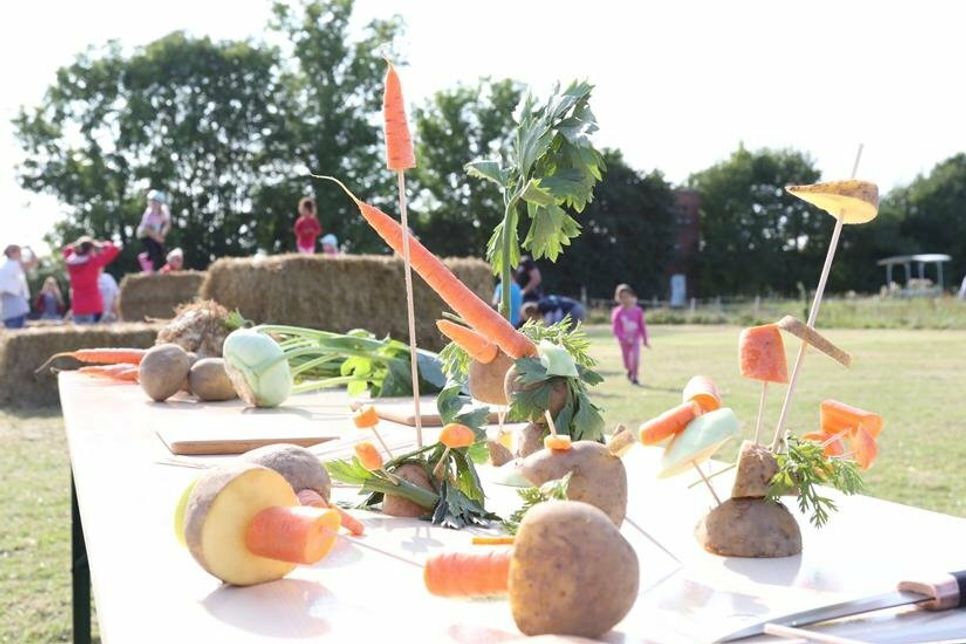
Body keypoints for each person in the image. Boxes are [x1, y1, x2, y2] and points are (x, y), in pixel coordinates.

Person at [64, 236, 120, 324]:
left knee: (79, 336)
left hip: (77, 307)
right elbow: (114, 249)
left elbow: (67, 249)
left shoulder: (70, 263)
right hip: (94, 306)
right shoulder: (93, 262)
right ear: (91, 249)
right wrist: (100, 245)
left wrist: (78, 244)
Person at [611, 284, 649, 385]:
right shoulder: (617, 312)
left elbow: (642, 326)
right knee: (627, 361)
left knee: (635, 358)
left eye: (627, 296)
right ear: (618, 298)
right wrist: (624, 338)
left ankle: (635, 377)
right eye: (622, 297)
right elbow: (616, 328)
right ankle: (629, 370)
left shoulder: (638, 311)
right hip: (623, 341)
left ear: (631, 296)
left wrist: (645, 339)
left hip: (635, 339)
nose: (625, 299)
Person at [0, 244, 35, 329]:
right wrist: (30, 250)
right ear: (13, 253)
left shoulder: (4, 267)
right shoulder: (14, 265)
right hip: (17, 310)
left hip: (7, 311)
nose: (21, 255)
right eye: (19, 252)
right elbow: (33, 262)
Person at [137, 189, 171, 271]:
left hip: (156, 234)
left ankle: (162, 270)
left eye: (156, 202)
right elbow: (147, 229)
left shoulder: (164, 211)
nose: (153, 204)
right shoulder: (148, 213)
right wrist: (157, 238)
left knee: (161, 252)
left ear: (160, 203)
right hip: (145, 235)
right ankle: (154, 271)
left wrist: (162, 235)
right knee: (154, 252)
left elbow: (167, 224)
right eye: (151, 202)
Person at [520, 294, 586, 329]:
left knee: (564, 333)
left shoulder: (542, 306)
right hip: (578, 307)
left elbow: (557, 309)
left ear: (531, 313)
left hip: (574, 310)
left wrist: (556, 325)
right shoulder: (543, 302)